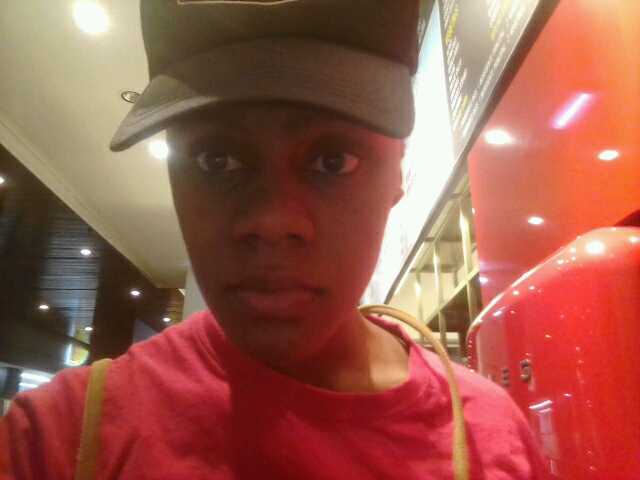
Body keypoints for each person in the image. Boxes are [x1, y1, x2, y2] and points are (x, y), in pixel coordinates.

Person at [1, 1, 545, 478]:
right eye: (216, 159)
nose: (271, 220)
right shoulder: (60, 441)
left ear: (398, 172)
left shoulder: (488, 441)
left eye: (333, 161)